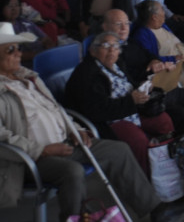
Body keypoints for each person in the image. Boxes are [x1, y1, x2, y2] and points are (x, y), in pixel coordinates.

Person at [0, 22, 184, 222]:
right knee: (73, 171)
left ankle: (155, 209)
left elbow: (57, 111)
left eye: (19, 48)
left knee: (119, 150)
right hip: (33, 157)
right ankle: (75, 218)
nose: (19, 54)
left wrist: (77, 129)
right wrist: (44, 150)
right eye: (11, 49)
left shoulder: (30, 79)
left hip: (68, 142)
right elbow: (3, 139)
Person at [65, 32, 174, 176]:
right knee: (138, 140)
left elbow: (128, 85)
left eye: (115, 46)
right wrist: (131, 101)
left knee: (164, 121)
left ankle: (167, 171)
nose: (111, 50)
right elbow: (98, 110)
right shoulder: (86, 74)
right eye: (105, 46)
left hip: (132, 110)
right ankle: (147, 178)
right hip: (109, 121)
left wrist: (142, 87)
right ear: (93, 50)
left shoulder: (117, 64)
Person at [101, 9, 184, 136]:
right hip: (146, 96)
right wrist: (147, 76)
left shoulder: (132, 43)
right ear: (105, 27)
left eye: (127, 23)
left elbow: (150, 56)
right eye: (118, 24)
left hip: (161, 85)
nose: (124, 28)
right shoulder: (108, 52)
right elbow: (125, 81)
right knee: (183, 114)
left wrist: (155, 62)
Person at [0, 0, 55, 66]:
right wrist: (39, 55)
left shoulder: (25, 22)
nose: (14, 9)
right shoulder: (3, 28)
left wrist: (50, 49)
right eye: (10, 6)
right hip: (24, 65)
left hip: (43, 57)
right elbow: (10, 55)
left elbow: (46, 39)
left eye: (17, 5)